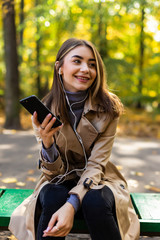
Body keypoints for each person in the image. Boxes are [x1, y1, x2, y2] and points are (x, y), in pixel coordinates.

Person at [9, 38, 140, 240]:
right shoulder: (45, 108)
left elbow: (97, 164)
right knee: (53, 195)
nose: (85, 69)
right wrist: (47, 143)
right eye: (77, 61)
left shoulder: (109, 108)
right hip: (59, 178)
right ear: (59, 68)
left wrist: (72, 204)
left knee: (94, 200)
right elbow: (53, 175)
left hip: (98, 179)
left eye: (92, 64)